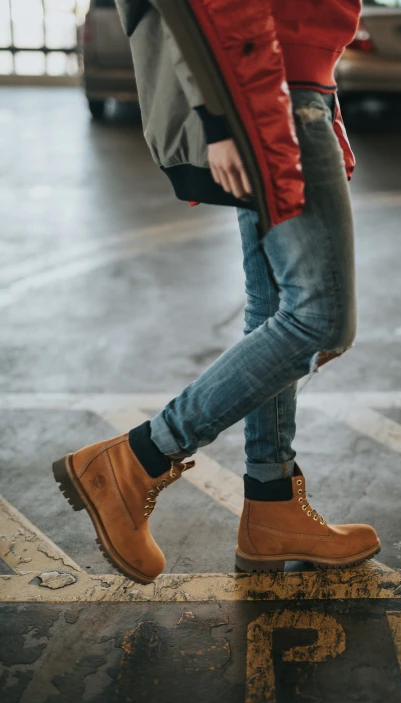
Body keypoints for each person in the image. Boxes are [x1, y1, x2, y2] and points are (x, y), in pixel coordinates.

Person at [52, 0, 381, 584]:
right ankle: (136, 459)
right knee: (320, 318)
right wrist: (224, 117)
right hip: (269, 92)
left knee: (276, 309)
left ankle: (272, 501)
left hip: (285, 90)